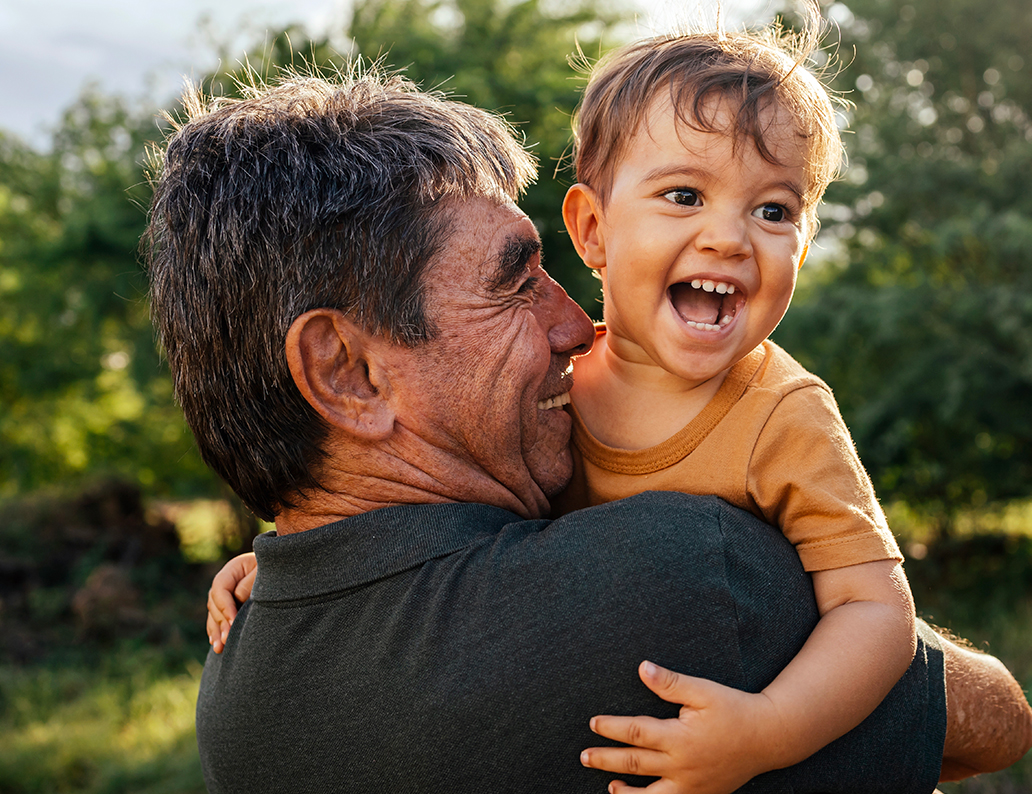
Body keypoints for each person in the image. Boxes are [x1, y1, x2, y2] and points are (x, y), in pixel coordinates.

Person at [150, 69, 1031, 793]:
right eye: (513, 283)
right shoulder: (683, 571)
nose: (575, 327)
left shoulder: (237, 694)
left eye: (775, 211)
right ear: (349, 372)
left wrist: (276, 556)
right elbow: (995, 721)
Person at [548, 14, 915, 792]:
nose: (730, 237)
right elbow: (431, 501)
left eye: (774, 211)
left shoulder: (783, 413)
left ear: (803, 246)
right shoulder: (549, 383)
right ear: (591, 230)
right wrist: (282, 561)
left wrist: (770, 731)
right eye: (684, 194)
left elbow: (876, 614)